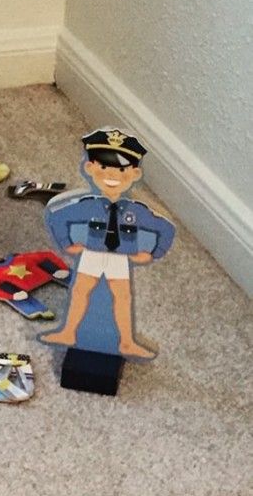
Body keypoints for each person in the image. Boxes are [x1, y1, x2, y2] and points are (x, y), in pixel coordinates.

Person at [41, 128, 175, 359]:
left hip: (120, 258)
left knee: (123, 298)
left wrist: (153, 253)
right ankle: (68, 333)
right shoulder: (87, 205)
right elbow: (57, 217)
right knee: (80, 291)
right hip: (91, 254)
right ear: (89, 168)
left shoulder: (136, 211)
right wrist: (67, 244)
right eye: (103, 167)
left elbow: (166, 229)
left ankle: (126, 342)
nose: (112, 175)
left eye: (121, 169)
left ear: (135, 173)